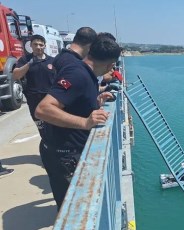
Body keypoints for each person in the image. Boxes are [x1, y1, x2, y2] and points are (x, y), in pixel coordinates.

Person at [35, 36, 122, 209]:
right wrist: (85, 122)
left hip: (61, 153)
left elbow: (72, 101)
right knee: (74, 208)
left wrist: (95, 102)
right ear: (110, 65)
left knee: (69, 205)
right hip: (64, 156)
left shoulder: (84, 73)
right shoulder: (78, 74)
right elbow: (43, 109)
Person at [12, 34, 55, 138]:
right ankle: (46, 147)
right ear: (31, 46)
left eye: (41, 44)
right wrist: (29, 64)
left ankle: (55, 148)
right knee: (42, 128)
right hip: (34, 99)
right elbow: (15, 75)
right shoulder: (25, 59)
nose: (38, 47)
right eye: (35, 44)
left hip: (51, 98)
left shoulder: (52, 61)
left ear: (45, 46)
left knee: (54, 125)